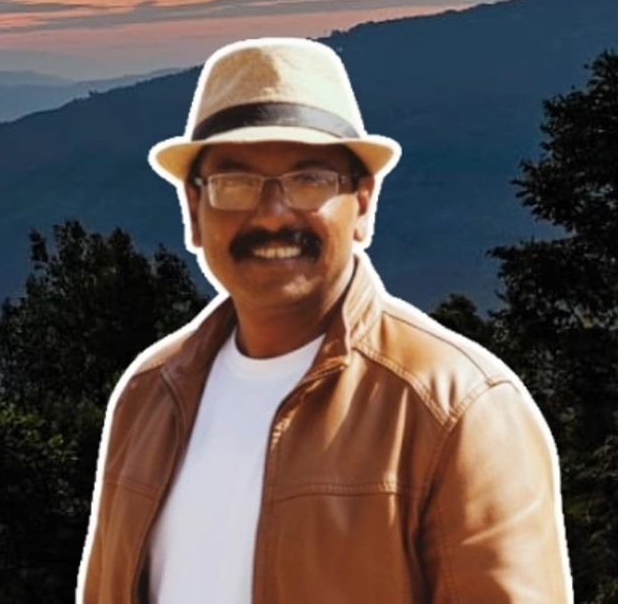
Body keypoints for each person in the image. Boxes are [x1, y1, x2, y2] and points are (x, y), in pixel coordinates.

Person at [77, 37, 571, 602]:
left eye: (309, 180)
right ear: (194, 211)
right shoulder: (148, 396)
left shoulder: (457, 408)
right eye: (234, 184)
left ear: (363, 203)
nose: (271, 214)